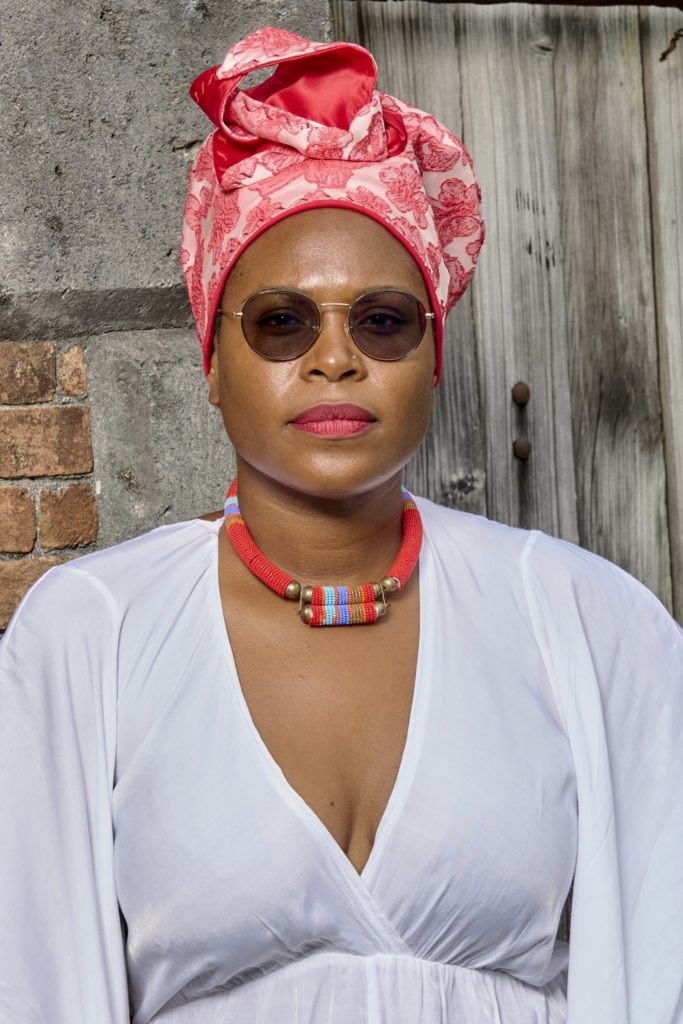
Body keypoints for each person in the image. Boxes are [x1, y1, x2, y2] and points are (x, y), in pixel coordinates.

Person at [1, 26, 681, 1024]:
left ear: (432, 358)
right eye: (280, 321)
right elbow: (36, 985)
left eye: (381, 320)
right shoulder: (90, 633)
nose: (335, 359)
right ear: (212, 363)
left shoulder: (585, 619)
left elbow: (658, 969)